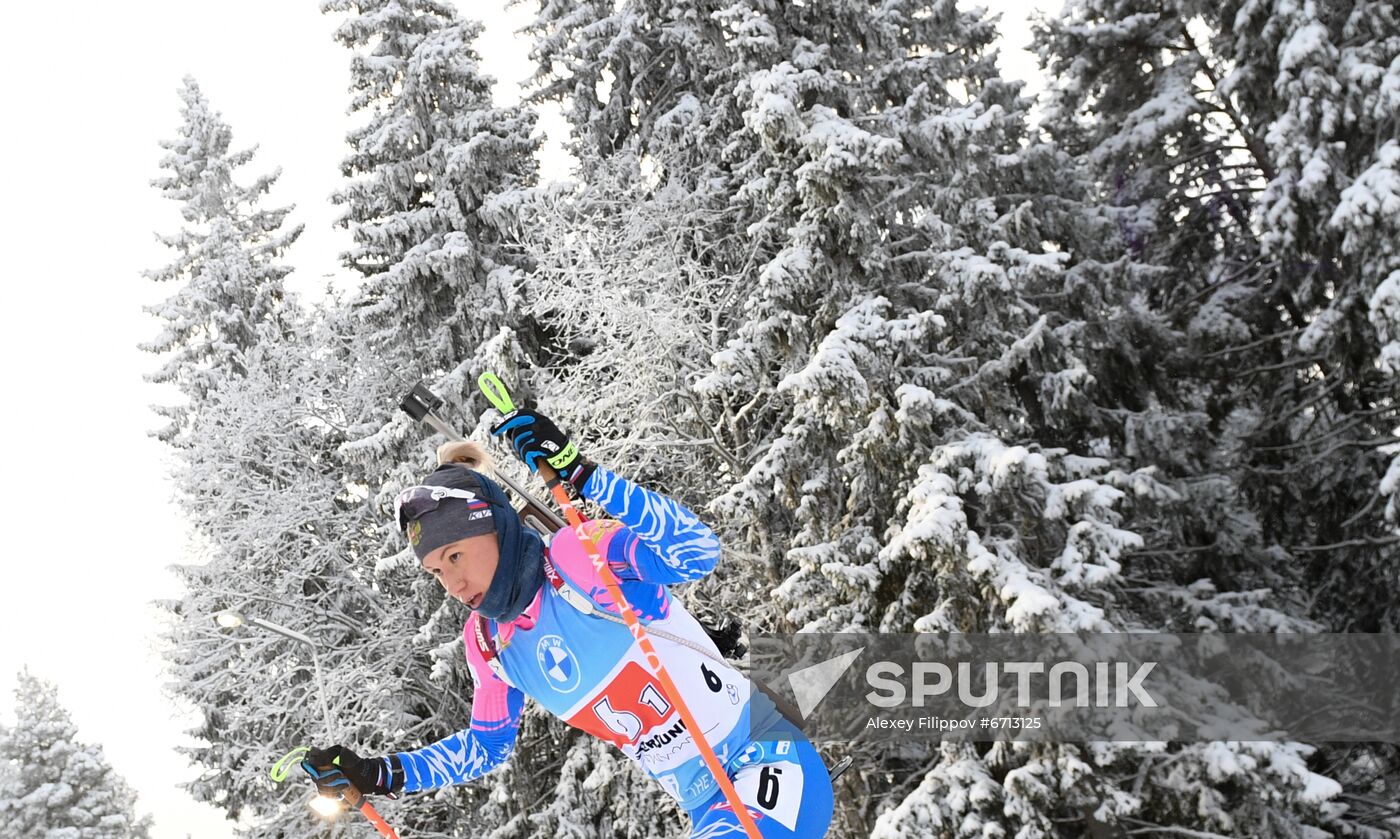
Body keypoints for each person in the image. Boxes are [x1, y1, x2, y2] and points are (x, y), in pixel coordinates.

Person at [305, 408, 834, 837]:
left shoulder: (575, 561)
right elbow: (485, 746)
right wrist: (379, 773)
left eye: (456, 557)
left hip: (766, 758)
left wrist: (586, 476)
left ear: (494, 529)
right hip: (705, 805)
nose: (451, 584)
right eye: (435, 570)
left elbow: (697, 551)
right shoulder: (489, 643)